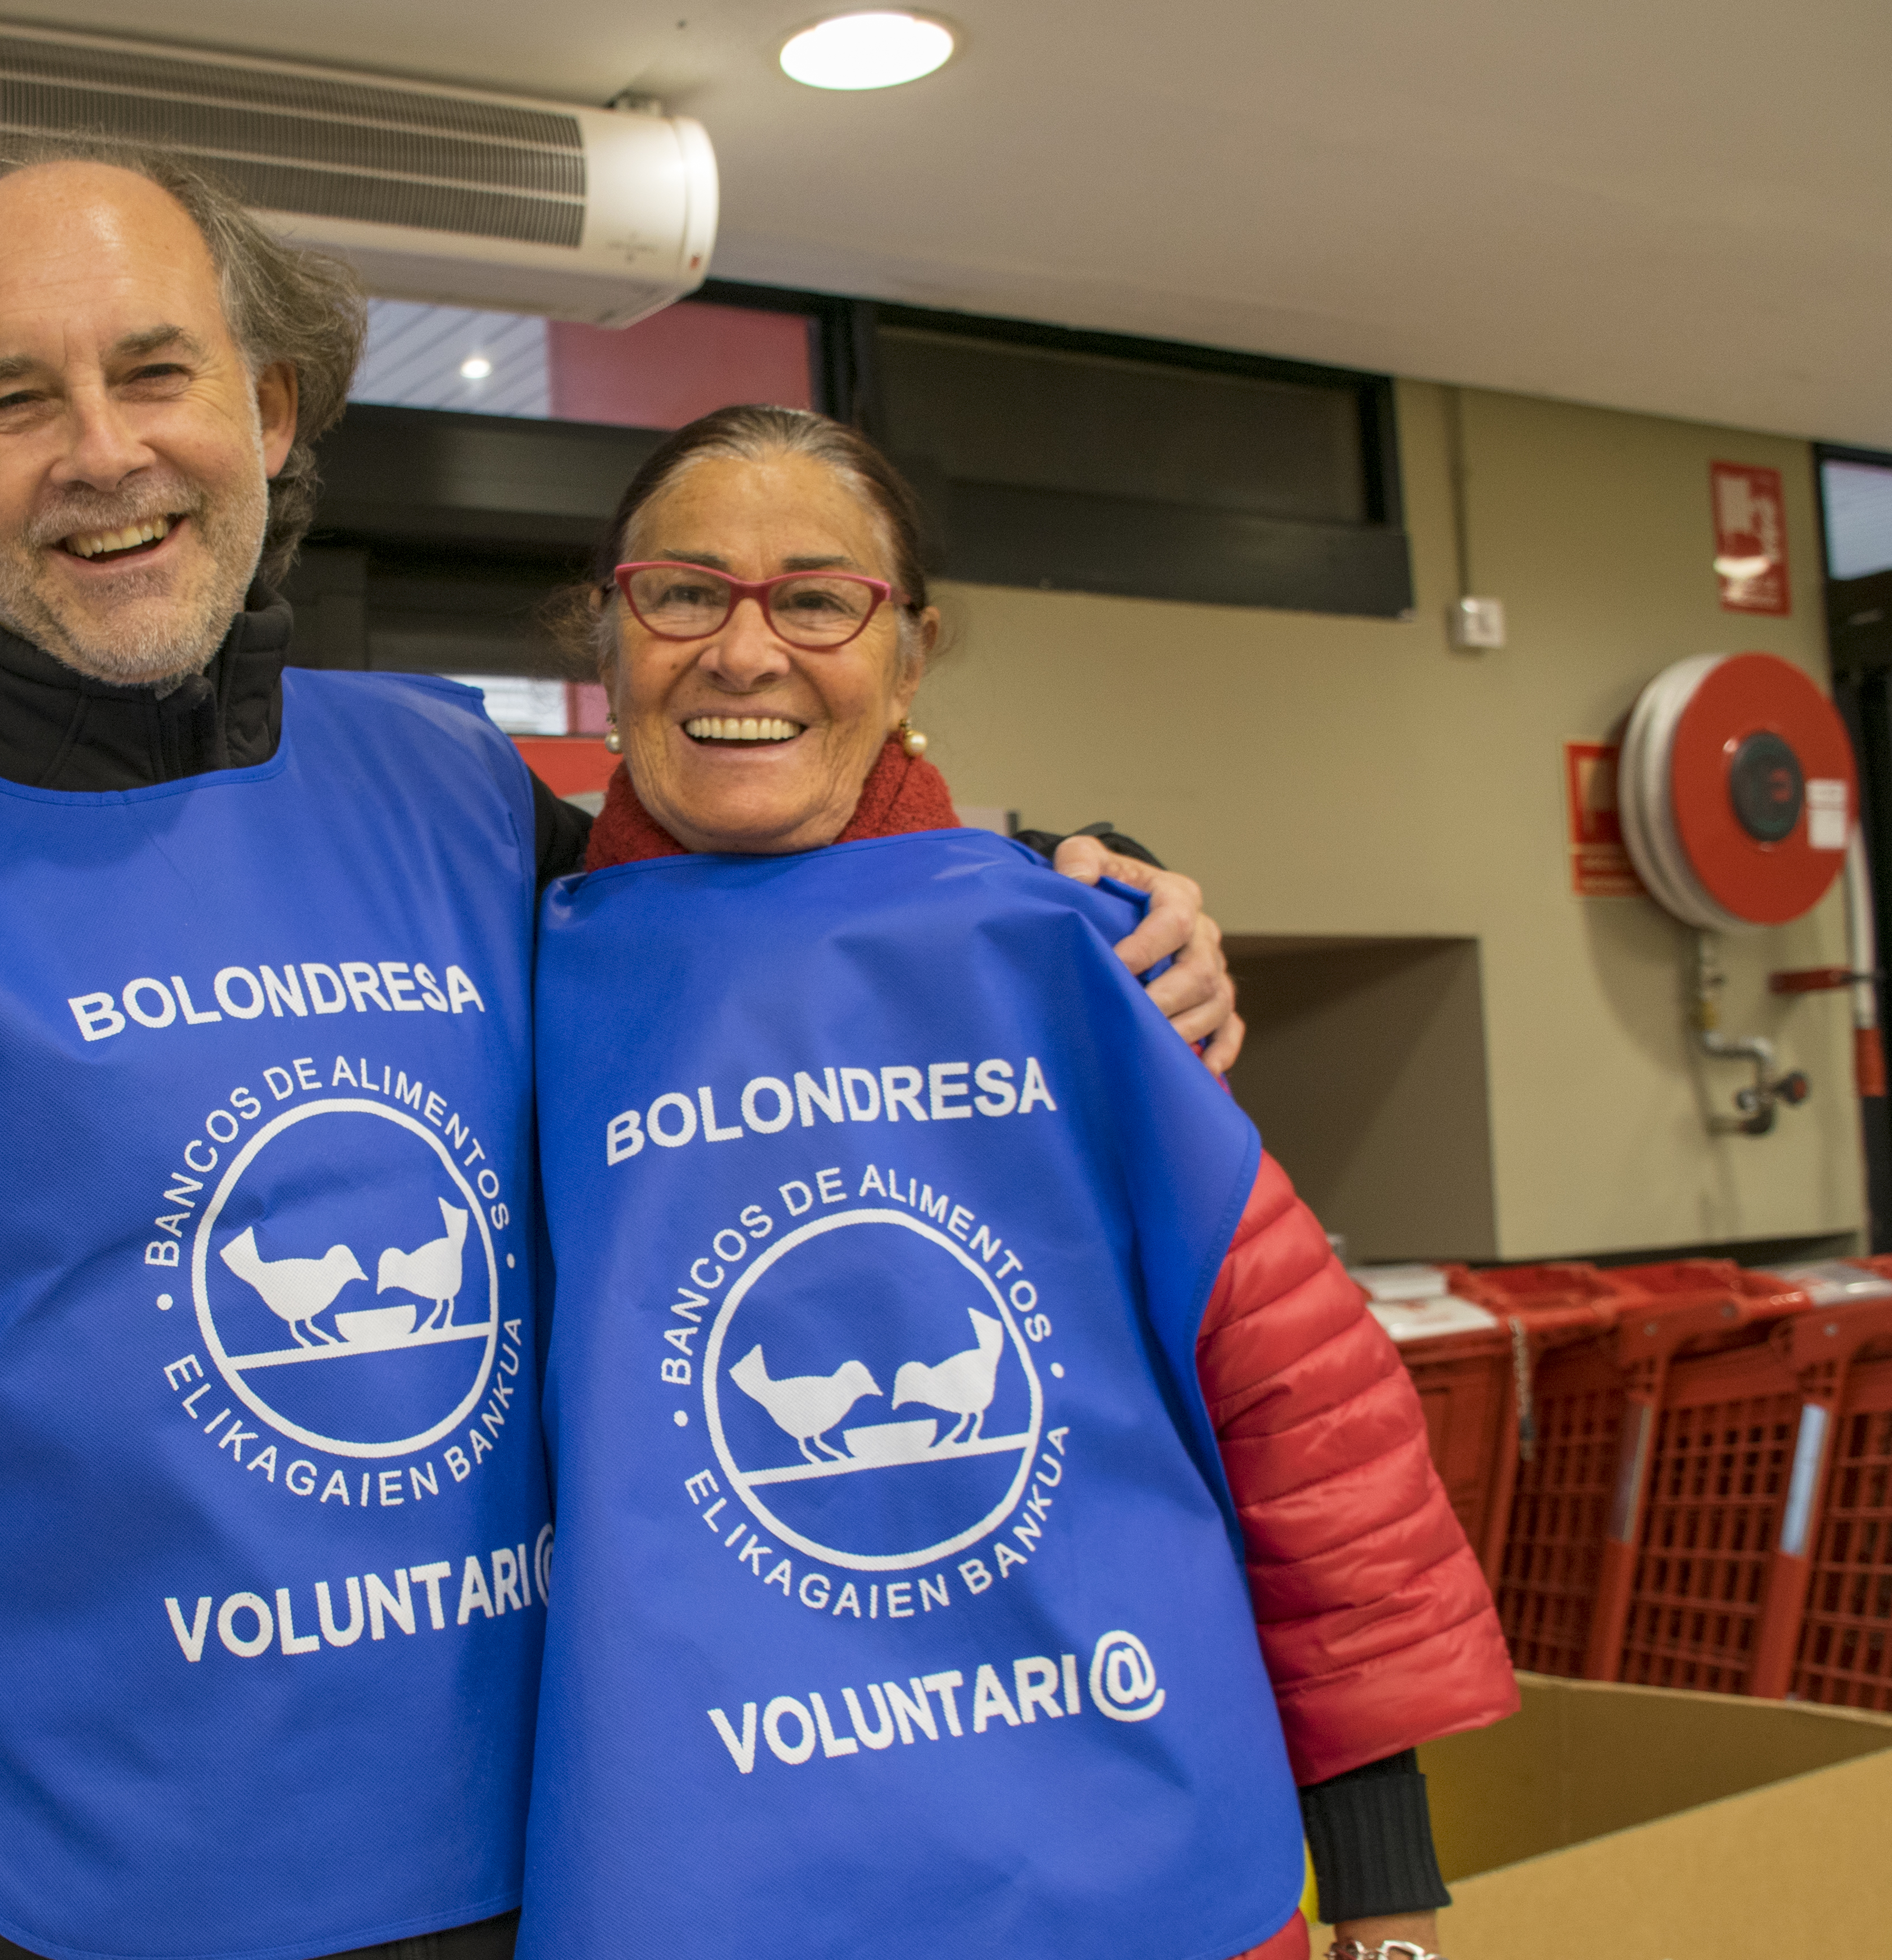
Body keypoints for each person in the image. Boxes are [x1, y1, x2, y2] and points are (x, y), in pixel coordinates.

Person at [0, 135, 1239, 1960]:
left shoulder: (462, 796)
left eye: (154, 370)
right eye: (13, 402)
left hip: (553, 1878)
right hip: (20, 1900)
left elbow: (776, 958)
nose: (103, 450)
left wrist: (1069, 898)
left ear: (264, 410)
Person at [517, 406, 1517, 1960]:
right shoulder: (509, 973)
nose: (743, 647)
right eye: (684, 590)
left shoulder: (1083, 952)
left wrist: (1383, 1879)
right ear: (609, 634)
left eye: (815, 596)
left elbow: (1305, 1425)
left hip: (1129, 1853)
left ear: (908, 656)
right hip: (720, 1869)